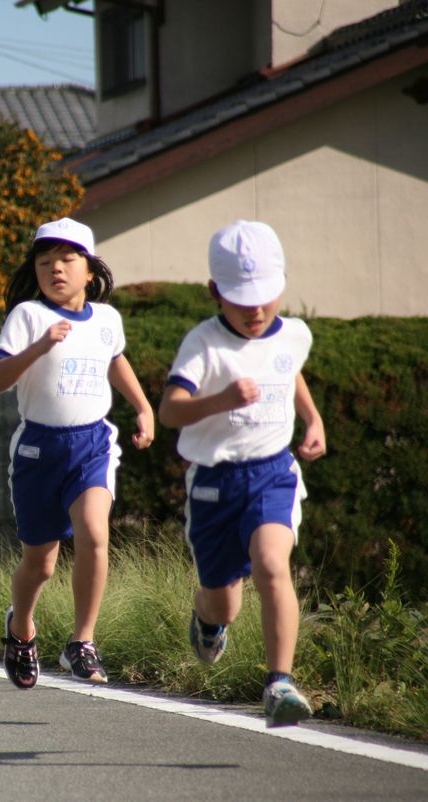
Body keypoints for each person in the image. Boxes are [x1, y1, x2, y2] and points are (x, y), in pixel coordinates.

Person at [158, 220, 326, 728]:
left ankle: (279, 683)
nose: (255, 310)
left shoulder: (294, 333)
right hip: (214, 483)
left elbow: (287, 367)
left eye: (265, 297)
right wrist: (221, 400)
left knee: (274, 565)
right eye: (240, 299)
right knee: (223, 602)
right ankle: (208, 622)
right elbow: (170, 410)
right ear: (214, 292)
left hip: (273, 472)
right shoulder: (203, 344)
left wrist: (313, 417)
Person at [0, 218, 154, 688]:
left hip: (92, 444)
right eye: (44, 262)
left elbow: (115, 360)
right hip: (39, 449)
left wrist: (143, 408)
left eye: (66, 260)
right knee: (41, 563)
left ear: (90, 269)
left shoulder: (106, 320)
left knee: (95, 535)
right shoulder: (27, 317)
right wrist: (39, 347)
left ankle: (81, 642)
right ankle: (20, 629)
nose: (55, 269)